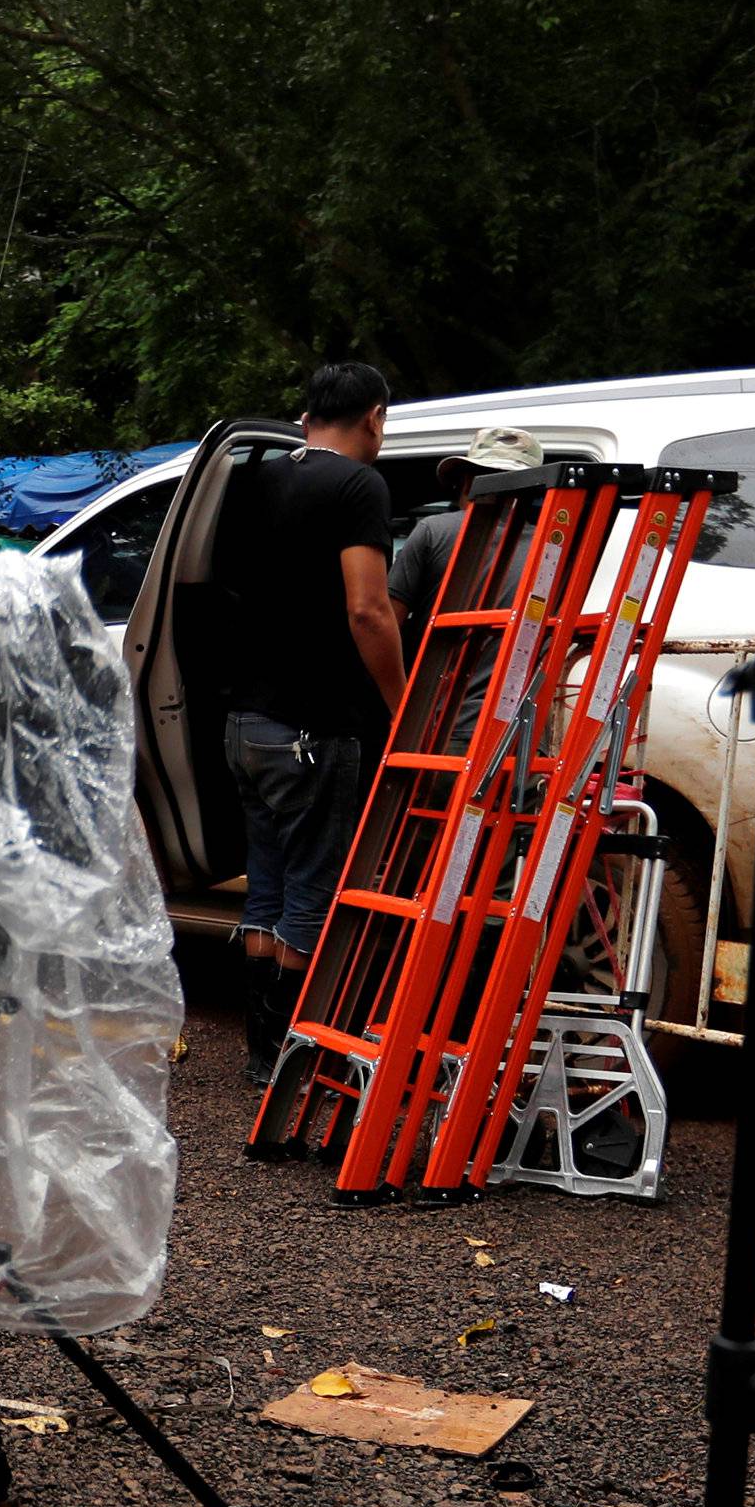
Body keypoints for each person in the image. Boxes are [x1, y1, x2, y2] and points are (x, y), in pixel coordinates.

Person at [228, 360, 405, 1085]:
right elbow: (367, 608)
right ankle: (297, 1059)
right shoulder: (359, 486)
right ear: (373, 417)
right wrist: (401, 703)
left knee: (264, 889)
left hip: (246, 724)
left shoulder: (257, 478)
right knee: (310, 889)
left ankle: (262, 1052)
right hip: (312, 728)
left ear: (308, 417)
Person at [388, 426, 544, 731]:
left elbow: (383, 625)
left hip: (435, 729)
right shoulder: (555, 549)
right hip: (519, 732)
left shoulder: (433, 531)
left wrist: (397, 705)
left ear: (467, 481)